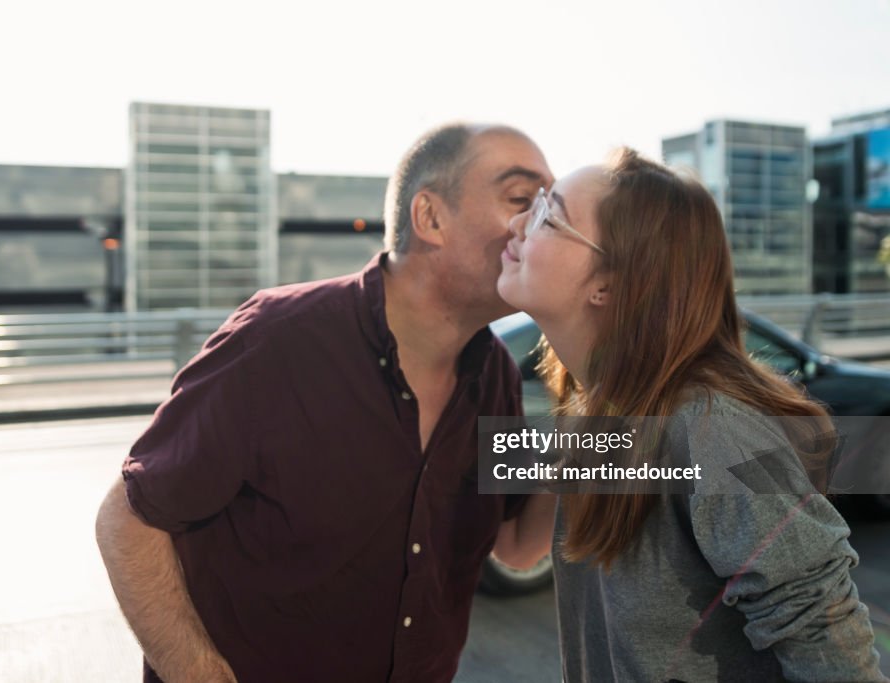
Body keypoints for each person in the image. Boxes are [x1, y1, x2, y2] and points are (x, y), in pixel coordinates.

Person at [95, 122, 556, 683]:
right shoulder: (278, 338)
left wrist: (598, 410)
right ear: (430, 218)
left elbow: (516, 545)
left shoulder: (496, 376)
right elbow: (127, 519)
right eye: (521, 199)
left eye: (550, 205)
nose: (543, 224)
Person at [494, 148, 886, 682]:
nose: (517, 223)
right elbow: (516, 548)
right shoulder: (596, 410)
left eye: (548, 215)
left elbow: (827, 638)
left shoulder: (713, 429)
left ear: (609, 284)